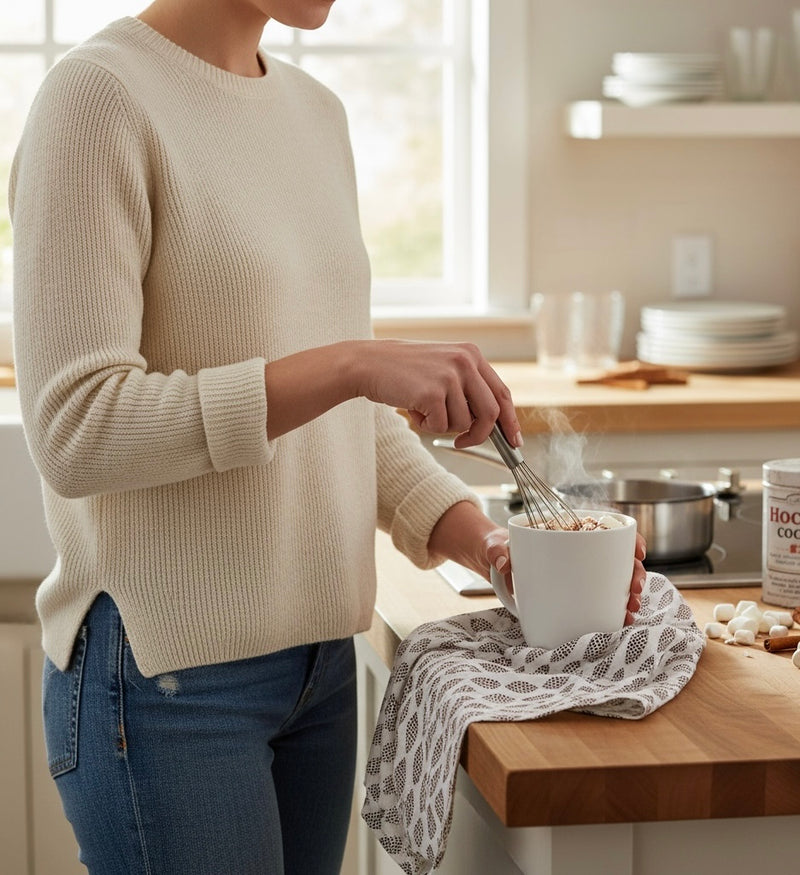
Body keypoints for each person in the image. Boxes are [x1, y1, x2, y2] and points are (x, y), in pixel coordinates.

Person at [9, 1, 646, 872]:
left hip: (318, 671)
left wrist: (491, 547)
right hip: (165, 684)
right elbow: (76, 428)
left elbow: (339, 422)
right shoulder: (97, 99)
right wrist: (352, 363)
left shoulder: (315, 115)